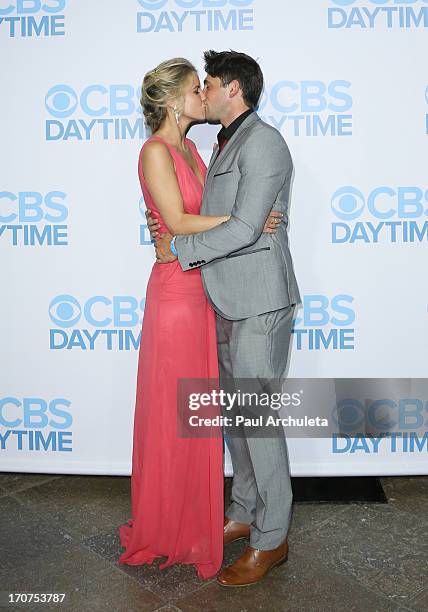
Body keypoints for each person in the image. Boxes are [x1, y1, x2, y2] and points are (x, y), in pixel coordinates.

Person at [118, 57, 282, 580]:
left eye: (206, 85)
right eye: (195, 88)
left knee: (229, 417)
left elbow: (197, 222)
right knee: (187, 416)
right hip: (179, 299)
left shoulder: (209, 146)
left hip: (220, 295)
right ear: (174, 102)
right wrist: (243, 223)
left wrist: (238, 224)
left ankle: (254, 529)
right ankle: (182, 524)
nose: (202, 95)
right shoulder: (161, 150)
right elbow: (181, 219)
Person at [150, 50, 301, 587]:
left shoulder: (265, 143)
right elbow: (237, 223)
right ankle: (243, 510)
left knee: (258, 420)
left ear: (232, 88)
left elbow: (245, 229)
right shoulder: (219, 143)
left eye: (208, 83)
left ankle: (273, 537)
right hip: (223, 298)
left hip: (259, 300)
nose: (203, 91)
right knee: (238, 420)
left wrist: (178, 247)